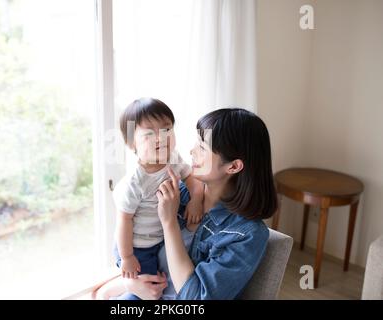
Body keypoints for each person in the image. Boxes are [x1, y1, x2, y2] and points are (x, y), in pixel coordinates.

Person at [94, 107, 278, 300]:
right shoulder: (178, 192)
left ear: (233, 166)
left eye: (202, 147)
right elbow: (133, 232)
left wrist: (169, 223)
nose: (191, 151)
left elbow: (196, 299)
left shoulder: (247, 234)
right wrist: (130, 283)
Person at [109, 98, 205, 300]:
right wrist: (127, 257)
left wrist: (196, 199)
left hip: (158, 239)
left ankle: (115, 288)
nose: (161, 138)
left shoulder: (174, 158)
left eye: (167, 129)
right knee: (149, 289)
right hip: (135, 245)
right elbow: (124, 221)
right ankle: (112, 290)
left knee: (157, 284)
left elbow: (192, 179)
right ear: (131, 142)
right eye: (150, 133)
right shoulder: (135, 182)